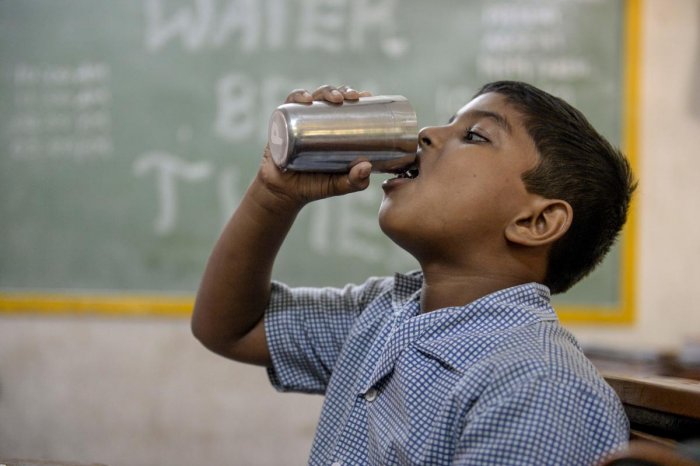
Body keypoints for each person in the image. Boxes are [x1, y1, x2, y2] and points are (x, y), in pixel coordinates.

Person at [192, 81, 636, 465]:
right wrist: (274, 195)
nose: (425, 134)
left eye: (475, 136)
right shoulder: (385, 313)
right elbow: (231, 327)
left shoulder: (538, 388)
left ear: (535, 222)